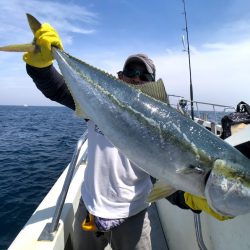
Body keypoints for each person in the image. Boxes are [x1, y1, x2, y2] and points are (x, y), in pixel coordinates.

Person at [23, 23, 230, 250]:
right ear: (120, 77)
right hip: (89, 208)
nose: (136, 78)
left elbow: (163, 172)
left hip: (134, 215)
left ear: (153, 85)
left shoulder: (163, 127)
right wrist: (39, 68)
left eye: (144, 75)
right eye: (131, 72)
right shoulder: (98, 108)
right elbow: (57, 89)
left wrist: (192, 197)